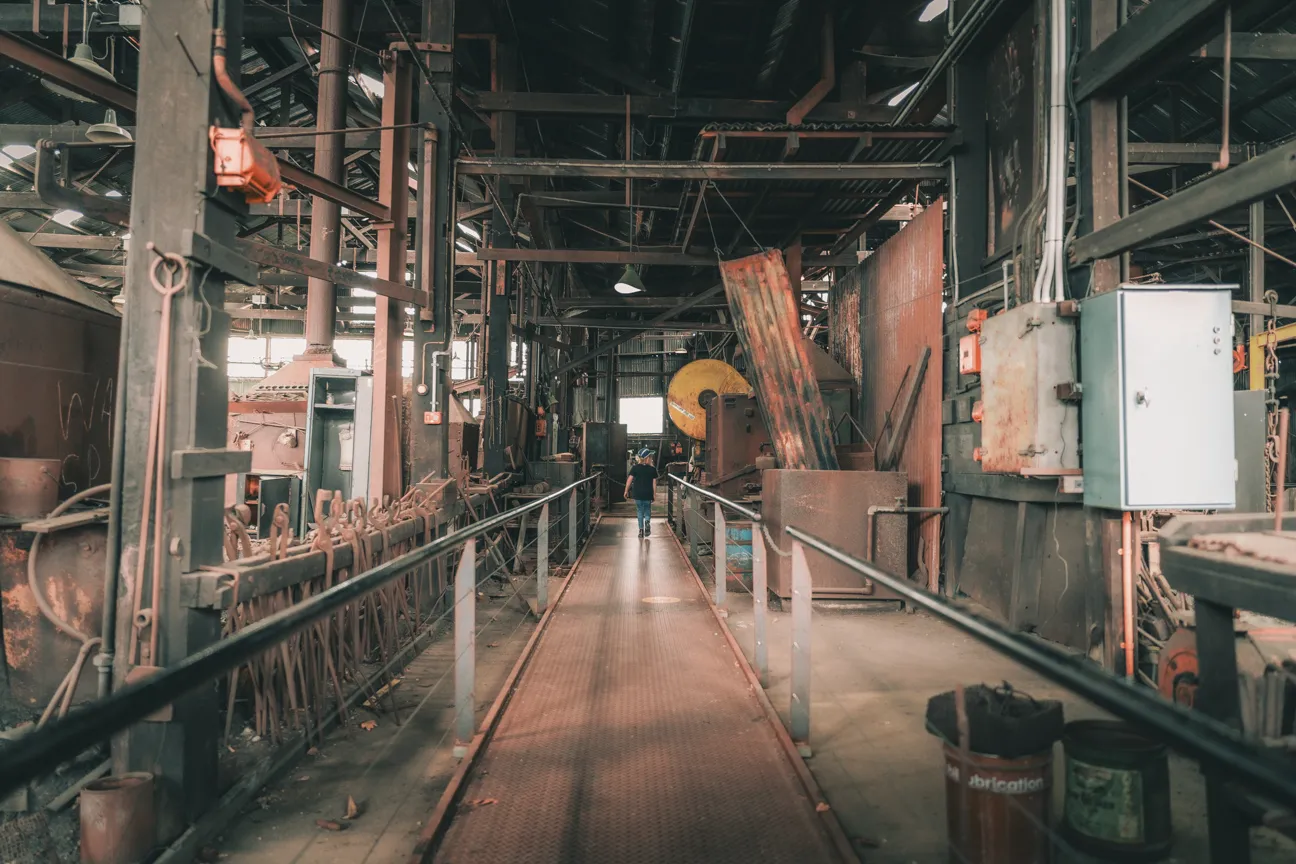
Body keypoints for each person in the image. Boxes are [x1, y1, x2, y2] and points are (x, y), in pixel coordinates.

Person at [625, 448, 658, 539]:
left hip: (638, 494)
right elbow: (654, 483)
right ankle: (647, 521)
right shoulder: (652, 469)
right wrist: (654, 494)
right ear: (648, 458)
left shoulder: (635, 468)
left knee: (639, 511)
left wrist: (626, 490)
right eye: (650, 457)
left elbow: (629, 480)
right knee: (647, 510)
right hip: (648, 494)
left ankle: (641, 530)